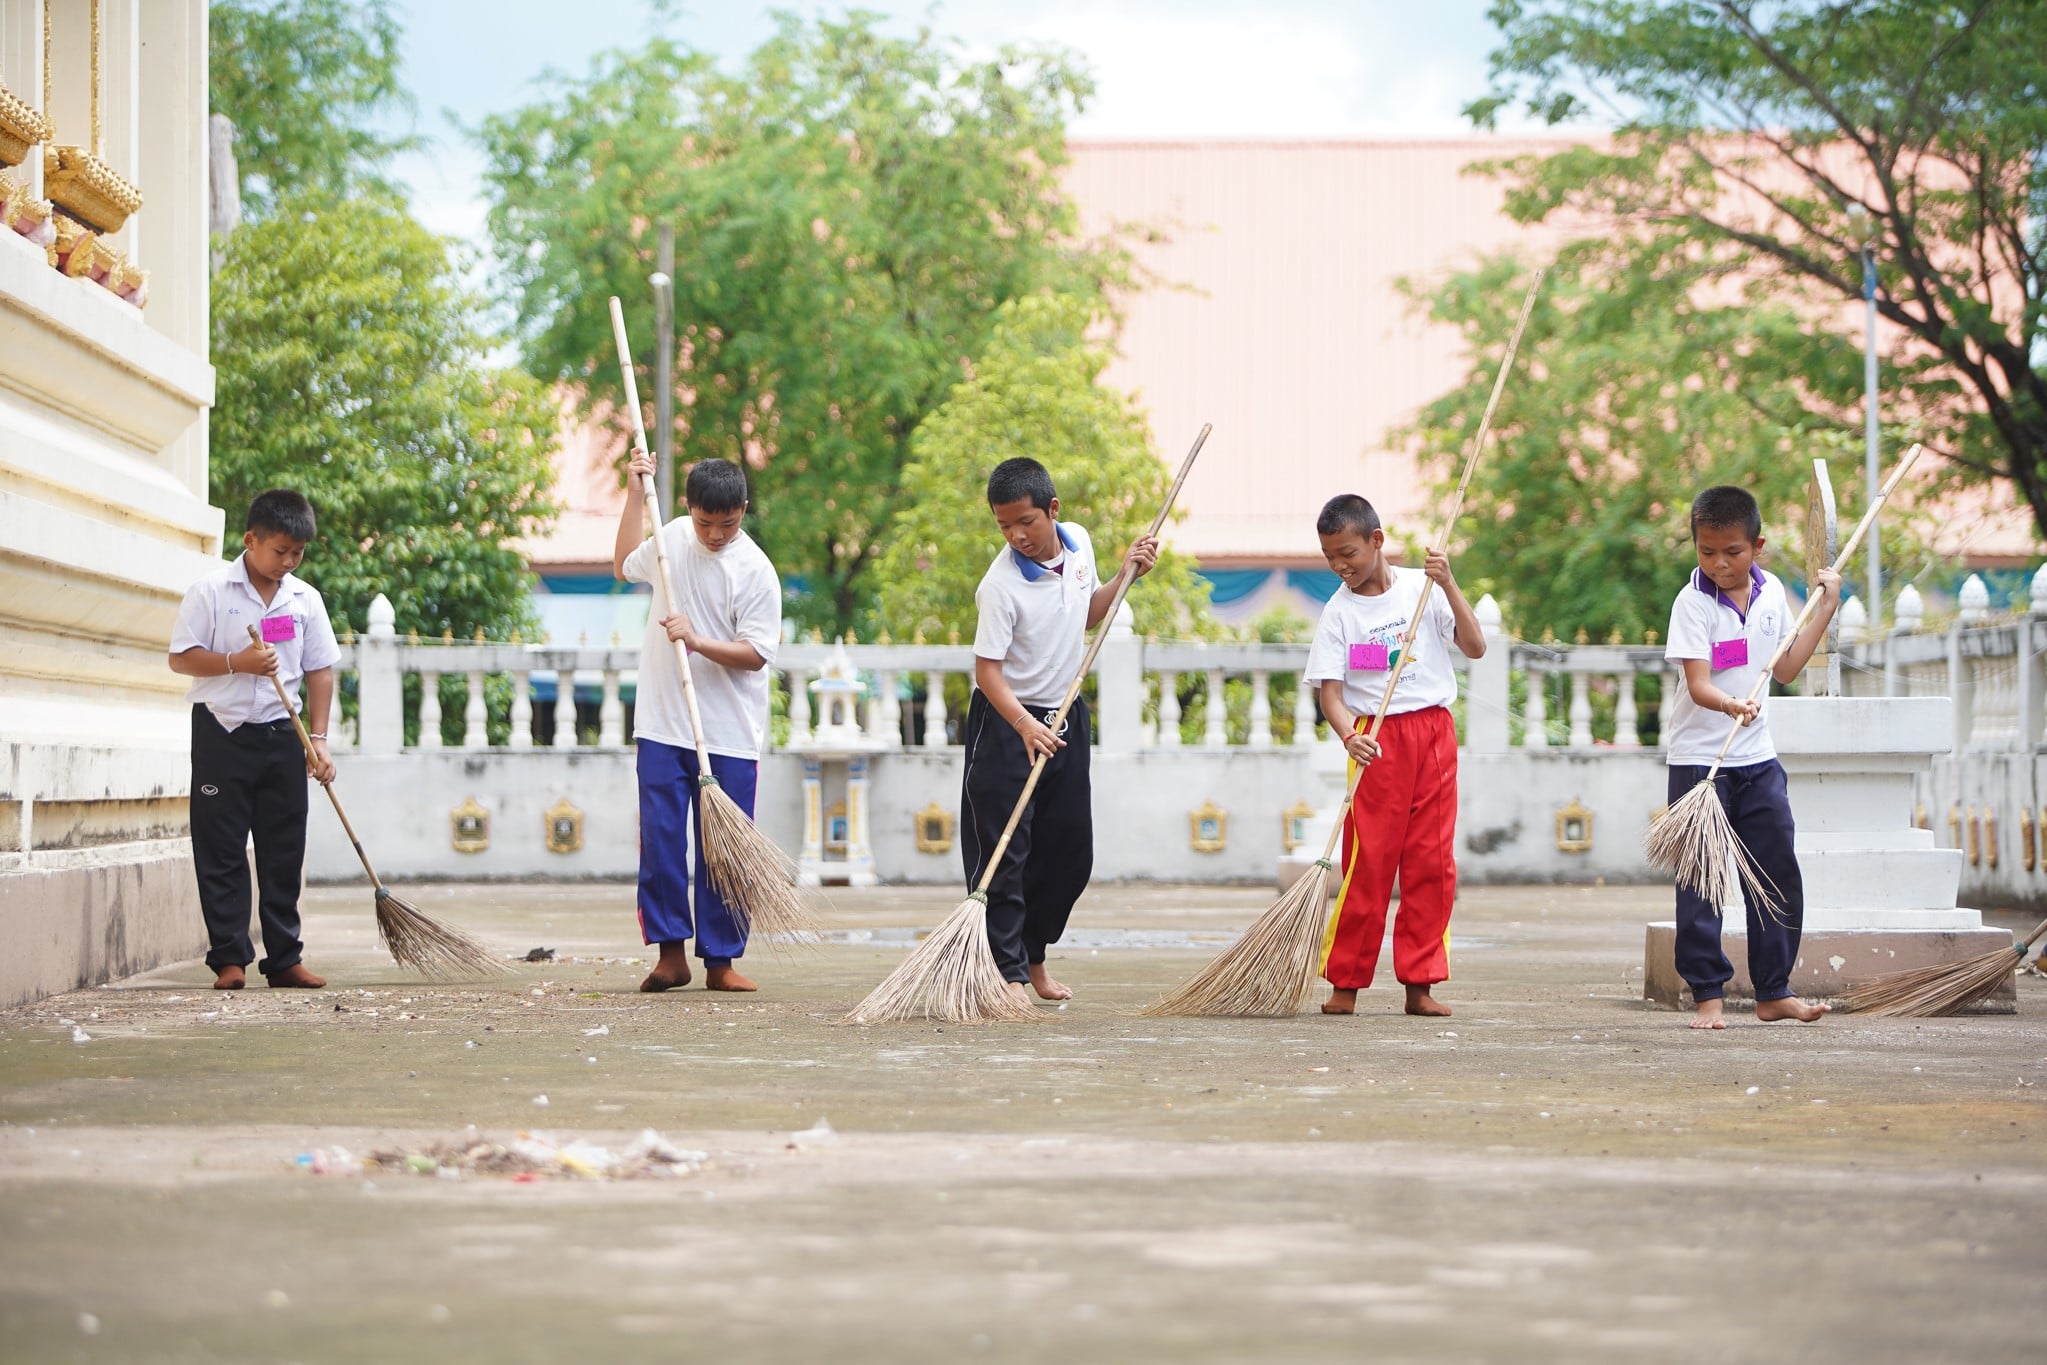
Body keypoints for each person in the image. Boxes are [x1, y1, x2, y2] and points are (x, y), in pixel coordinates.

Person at [963, 457, 1158, 1008]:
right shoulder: (998, 587)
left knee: (1069, 848)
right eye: (1004, 525)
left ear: (1052, 510)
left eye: (1025, 521)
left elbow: (1087, 615)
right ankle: (1007, 972)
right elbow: (987, 671)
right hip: (1007, 721)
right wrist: (1024, 724)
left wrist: (1125, 576)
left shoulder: (1080, 546)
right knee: (1006, 851)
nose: (1017, 536)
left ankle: (1034, 956)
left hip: (1065, 713)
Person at [1303, 494, 1487, 1017]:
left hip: (1432, 734)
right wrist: (1347, 736)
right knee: (1369, 864)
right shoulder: (1338, 612)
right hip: (1374, 739)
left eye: (1348, 553)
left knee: (1431, 862)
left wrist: (1449, 583)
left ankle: (1420, 984)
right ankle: (1345, 983)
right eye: (1330, 557)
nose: (1340, 566)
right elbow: (1331, 695)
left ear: (1377, 541)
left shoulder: (1422, 588)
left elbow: (1475, 647)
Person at [1664, 484, 1838, 1028]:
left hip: (1758, 760)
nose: (1719, 563)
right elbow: (1698, 686)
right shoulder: (1691, 603)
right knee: (1702, 883)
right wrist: (1731, 703)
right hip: (1701, 764)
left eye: (1732, 551)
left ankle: (1773, 990)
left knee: (1777, 874)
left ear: (1756, 546)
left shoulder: (1771, 594)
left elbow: (1784, 670)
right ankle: (1708, 998)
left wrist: (1825, 607)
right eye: (1706, 551)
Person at [616, 453, 782, 994]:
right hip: (663, 722)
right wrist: (636, 492)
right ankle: (670, 955)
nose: (714, 534)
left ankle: (721, 961)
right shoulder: (670, 539)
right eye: (705, 522)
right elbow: (621, 565)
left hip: (729, 731)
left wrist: (697, 640)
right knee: (662, 840)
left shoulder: (756, 570)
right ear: (689, 508)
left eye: (728, 524)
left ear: (744, 511)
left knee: (725, 851)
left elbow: (756, 653)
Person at [168, 490, 340, 991]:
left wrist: (320, 739)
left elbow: (320, 671)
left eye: (297, 554)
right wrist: (234, 663)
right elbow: (180, 658)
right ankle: (230, 959)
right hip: (221, 732)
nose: (287, 562)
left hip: (284, 735)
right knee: (221, 849)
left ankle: (284, 958)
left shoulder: (304, 599)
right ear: (251, 540)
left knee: (283, 848)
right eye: (279, 551)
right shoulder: (211, 592)